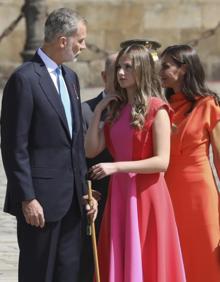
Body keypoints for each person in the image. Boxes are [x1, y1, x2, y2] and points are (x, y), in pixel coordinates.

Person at [1, 8, 97, 282]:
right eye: (80, 40)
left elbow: (75, 143)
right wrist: (27, 198)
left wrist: (86, 192)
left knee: (69, 273)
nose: (84, 46)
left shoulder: (71, 79)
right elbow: (13, 146)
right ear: (63, 40)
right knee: (38, 274)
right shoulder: (25, 79)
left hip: (73, 204)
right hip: (40, 203)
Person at [85, 44, 186, 282]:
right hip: (120, 194)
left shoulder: (157, 108)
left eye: (128, 67)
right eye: (119, 67)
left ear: (142, 69)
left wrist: (117, 167)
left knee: (147, 257)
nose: (120, 72)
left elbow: (162, 162)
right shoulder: (116, 110)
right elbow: (91, 150)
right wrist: (98, 111)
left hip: (147, 195)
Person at [159, 44, 220, 282]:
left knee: (204, 252)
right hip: (168, 191)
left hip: (200, 194)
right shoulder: (161, 108)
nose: (160, 72)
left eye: (166, 66)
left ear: (183, 69)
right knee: (175, 254)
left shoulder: (209, 104)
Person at [80, 53, 117, 281]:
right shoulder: (85, 110)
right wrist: (85, 190)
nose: (123, 76)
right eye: (117, 71)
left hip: (131, 197)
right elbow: (77, 156)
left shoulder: (138, 107)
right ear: (104, 76)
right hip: (98, 198)